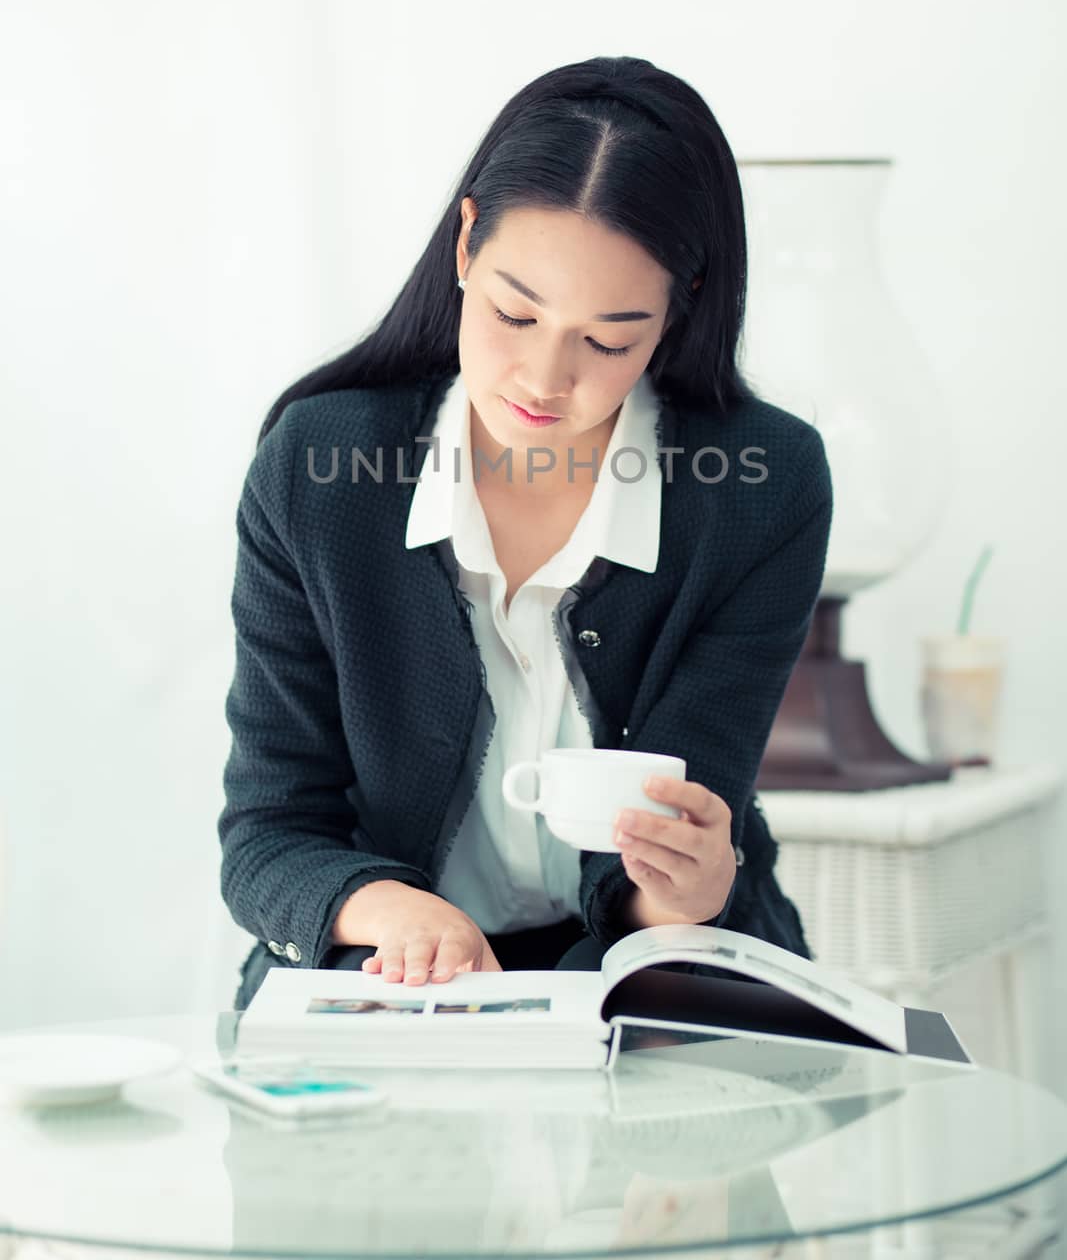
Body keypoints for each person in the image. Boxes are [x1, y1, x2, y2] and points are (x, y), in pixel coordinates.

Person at [220, 55, 833, 1012]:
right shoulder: (317, 467)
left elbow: (689, 822)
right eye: (514, 312)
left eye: (609, 338)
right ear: (465, 244)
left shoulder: (760, 484)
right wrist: (391, 911)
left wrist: (681, 891)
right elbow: (267, 837)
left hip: (656, 986)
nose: (545, 378)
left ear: (679, 309)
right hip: (387, 984)